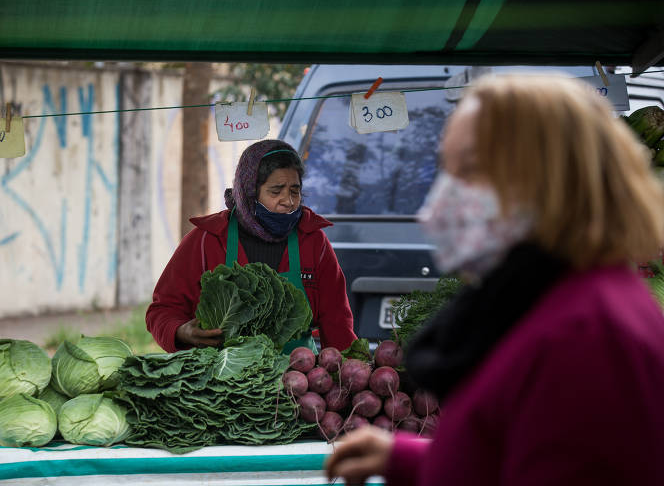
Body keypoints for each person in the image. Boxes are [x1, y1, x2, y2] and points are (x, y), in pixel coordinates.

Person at [326, 74, 664, 486]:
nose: (438, 205)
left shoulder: (590, 336)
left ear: (551, 179)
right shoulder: (543, 300)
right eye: (445, 170)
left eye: (468, 170)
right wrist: (409, 459)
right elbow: (517, 452)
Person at [147, 139, 357, 353]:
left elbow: (337, 321)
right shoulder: (205, 240)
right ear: (249, 192)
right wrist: (182, 331)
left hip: (298, 379)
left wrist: (350, 370)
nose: (289, 201)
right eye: (276, 191)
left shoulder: (313, 241)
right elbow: (163, 310)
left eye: (295, 190)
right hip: (221, 379)